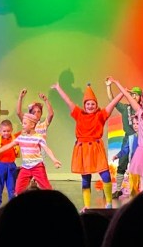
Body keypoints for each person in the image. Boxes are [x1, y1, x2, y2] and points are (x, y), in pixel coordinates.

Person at [52, 79, 124, 210]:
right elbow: (68, 101)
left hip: (96, 148)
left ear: (96, 105)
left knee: (106, 175)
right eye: (88, 104)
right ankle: (86, 206)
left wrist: (122, 93)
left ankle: (109, 203)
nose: (90, 106)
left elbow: (113, 103)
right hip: (83, 149)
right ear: (84, 105)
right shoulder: (79, 114)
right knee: (86, 179)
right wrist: (58, 88)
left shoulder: (101, 115)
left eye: (93, 104)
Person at [106, 76, 143, 198]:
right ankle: (119, 189)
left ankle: (137, 189)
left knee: (139, 166)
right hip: (128, 138)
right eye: (132, 94)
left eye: (136, 94)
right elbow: (112, 100)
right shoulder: (125, 108)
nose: (133, 96)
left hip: (141, 140)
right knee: (122, 162)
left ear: (141, 97)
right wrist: (109, 86)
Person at [0, 110, 62, 194]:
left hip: (37, 166)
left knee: (46, 187)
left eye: (25, 123)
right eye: (22, 123)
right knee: (18, 190)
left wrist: (54, 160)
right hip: (25, 168)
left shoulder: (38, 137)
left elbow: (47, 149)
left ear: (32, 125)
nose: (22, 125)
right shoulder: (21, 138)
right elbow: (8, 146)